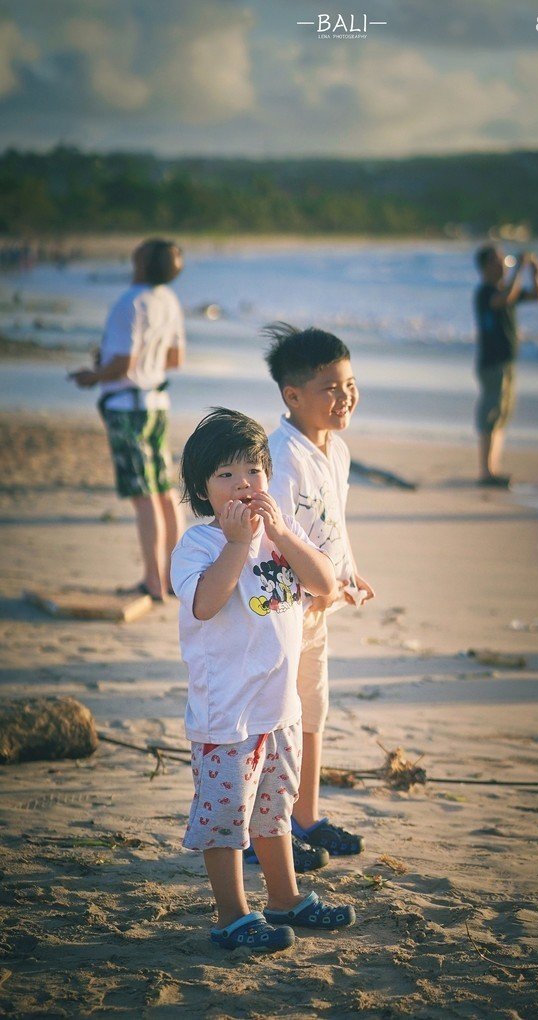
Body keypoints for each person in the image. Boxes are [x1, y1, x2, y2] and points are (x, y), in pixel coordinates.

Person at [170, 407, 355, 954]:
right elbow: (205, 603)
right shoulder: (199, 545)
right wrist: (236, 544)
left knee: (275, 813)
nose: (243, 484)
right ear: (202, 490)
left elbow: (322, 583)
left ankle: (286, 898)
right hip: (226, 715)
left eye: (253, 469)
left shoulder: (283, 534)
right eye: (226, 475)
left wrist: (279, 533)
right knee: (226, 820)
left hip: (280, 709)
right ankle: (232, 915)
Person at [262, 322, 374, 872]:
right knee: (276, 714)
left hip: (320, 607)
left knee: (313, 707)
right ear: (293, 395)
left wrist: (348, 573)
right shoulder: (280, 457)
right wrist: (314, 585)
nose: (345, 396)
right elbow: (277, 535)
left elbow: (332, 524)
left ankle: (306, 815)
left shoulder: (337, 450)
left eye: (349, 383)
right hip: (283, 610)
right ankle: (268, 830)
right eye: (331, 387)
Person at [69, 238, 185, 601]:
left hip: (126, 404)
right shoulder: (169, 300)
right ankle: (173, 578)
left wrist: (93, 375)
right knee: (164, 491)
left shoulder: (129, 302)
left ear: (141, 261)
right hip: (157, 402)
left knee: (144, 494)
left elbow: (123, 364)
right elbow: (175, 359)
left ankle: (152, 582)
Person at [474, 246, 538, 488]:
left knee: (502, 417)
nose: (502, 264)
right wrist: (519, 270)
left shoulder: (506, 291)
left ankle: (493, 469)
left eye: (503, 260)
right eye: (497, 261)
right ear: (485, 267)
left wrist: (535, 273)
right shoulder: (485, 293)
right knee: (491, 416)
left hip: (506, 364)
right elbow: (503, 299)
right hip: (492, 364)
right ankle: (487, 471)